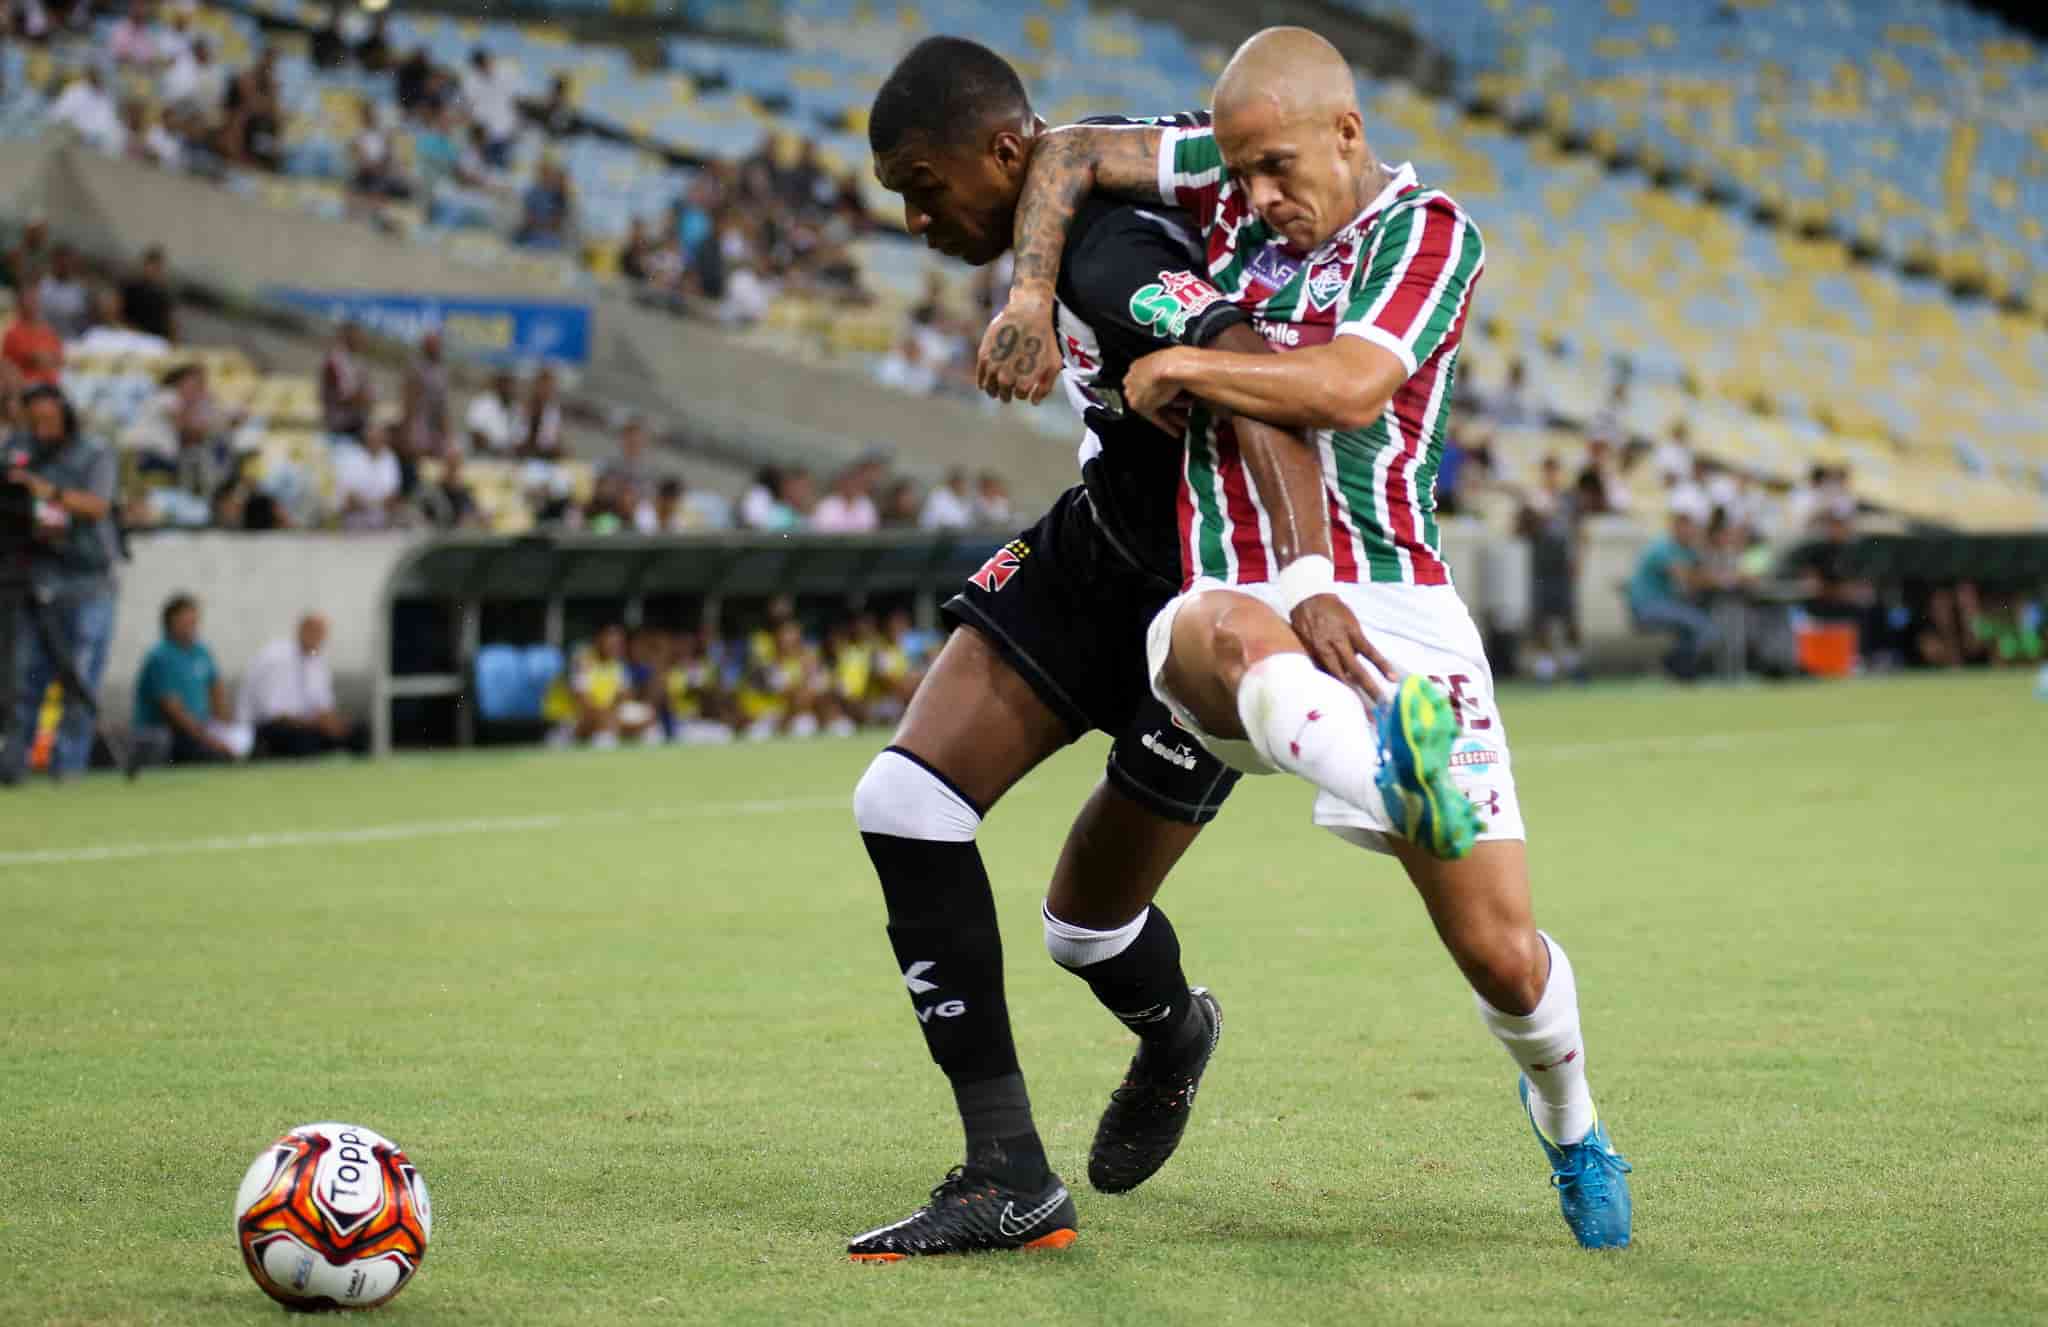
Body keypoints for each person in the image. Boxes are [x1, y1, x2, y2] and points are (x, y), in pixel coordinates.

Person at [975, 25, 1633, 1250]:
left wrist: (1179, 362)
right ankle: (1384, 773)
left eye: (1278, 167)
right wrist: (1026, 290)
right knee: (1198, 660)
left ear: (1346, 130)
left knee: (1501, 957)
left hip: (1391, 599)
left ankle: (1573, 1123)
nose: (1257, 198)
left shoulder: (1430, 233)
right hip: (1231, 589)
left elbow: (1341, 389)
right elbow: (1060, 152)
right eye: (1239, 172)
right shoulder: (1221, 172)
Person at [847, 36, 1356, 1260]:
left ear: (1000, 154)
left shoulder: (1108, 252)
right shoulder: (1060, 204)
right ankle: (1006, 1173)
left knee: (1083, 930)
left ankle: (1173, 1029)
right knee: (903, 802)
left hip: (1203, 602)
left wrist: (1299, 584)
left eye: (925, 185)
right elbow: (1070, 148)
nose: (918, 218)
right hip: (1096, 551)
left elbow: (1254, 379)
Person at [1, 385, 121, 783]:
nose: (41, 429)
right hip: (35, 576)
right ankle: (13, 765)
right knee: (24, 676)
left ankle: (68, 767)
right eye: (33, 421)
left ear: (66, 415)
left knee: (80, 678)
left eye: (48, 420)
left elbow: (97, 505)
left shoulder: (95, 452)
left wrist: (47, 492)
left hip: (88, 579)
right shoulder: (19, 450)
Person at [131, 593, 251, 765]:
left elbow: (216, 690)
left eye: (194, 622)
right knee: (212, 756)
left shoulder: (201, 651)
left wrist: (227, 729)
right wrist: (209, 740)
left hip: (202, 729)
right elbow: (174, 711)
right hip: (169, 733)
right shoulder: (161, 657)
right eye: (185, 622)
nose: (191, 627)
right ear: (170, 623)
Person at [238, 614, 369, 757]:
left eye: (321, 633)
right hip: (267, 728)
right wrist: (316, 724)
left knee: (359, 731)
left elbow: (323, 707)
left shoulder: (317, 661)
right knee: (301, 739)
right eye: (313, 631)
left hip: (307, 725)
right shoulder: (276, 658)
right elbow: (276, 716)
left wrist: (336, 725)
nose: (317, 638)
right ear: (301, 630)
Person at [1516, 456, 1583, 683]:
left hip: (1562, 564)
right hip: (1541, 565)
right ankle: (1545, 667)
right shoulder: (1534, 501)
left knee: (1569, 616)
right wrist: (1538, 516)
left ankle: (1573, 663)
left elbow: (1578, 530)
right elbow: (1520, 530)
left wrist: (1578, 558)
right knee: (1541, 618)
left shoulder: (1567, 500)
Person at [1628, 510, 1718, 680]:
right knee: (1704, 628)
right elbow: (1686, 578)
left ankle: (1678, 668)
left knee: (1693, 629)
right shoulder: (1662, 547)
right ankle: (1675, 665)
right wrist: (1719, 579)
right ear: (1676, 528)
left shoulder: (1687, 550)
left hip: (1667, 604)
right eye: (1688, 529)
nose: (1691, 533)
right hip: (1649, 606)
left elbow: (1701, 572)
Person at [333, 419, 404, 530]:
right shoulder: (351, 457)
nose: (376, 439)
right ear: (366, 436)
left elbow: (393, 494)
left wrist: (376, 505)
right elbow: (348, 499)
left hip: (382, 524)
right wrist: (372, 505)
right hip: (353, 524)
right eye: (373, 435)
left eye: (380, 436)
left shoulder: (389, 457)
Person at [49, 67, 124, 153]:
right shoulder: (77, 91)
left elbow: (110, 120)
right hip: (77, 132)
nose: (98, 79)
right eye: (95, 76)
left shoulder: (106, 95)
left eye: (100, 77)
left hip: (99, 136)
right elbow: (58, 112)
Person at [319, 321, 373, 441]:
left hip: (355, 423)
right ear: (349, 337)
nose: (363, 340)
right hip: (340, 427)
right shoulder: (334, 362)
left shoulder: (357, 361)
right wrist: (364, 398)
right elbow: (344, 396)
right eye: (359, 336)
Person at [3, 281, 63, 387]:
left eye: (34, 300)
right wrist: (45, 357)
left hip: (52, 384)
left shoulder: (48, 331)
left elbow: (59, 358)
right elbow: (33, 358)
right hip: (27, 386)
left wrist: (47, 358)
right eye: (28, 300)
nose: (33, 304)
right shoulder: (13, 333)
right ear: (20, 304)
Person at [399, 330, 449, 457]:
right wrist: (407, 430)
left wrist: (446, 432)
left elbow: (442, 405)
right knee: (417, 454)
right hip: (418, 421)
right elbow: (409, 400)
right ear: (425, 347)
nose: (436, 348)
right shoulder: (416, 367)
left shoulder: (441, 370)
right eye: (432, 345)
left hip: (435, 422)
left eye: (438, 344)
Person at [119, 248, 178, 345]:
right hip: (132, 336)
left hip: (156, 339)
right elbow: (120, 313)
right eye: (152, 267)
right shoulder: (131, 288)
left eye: (158, 268)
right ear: (145, 266)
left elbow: (170, 320)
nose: (154, 271)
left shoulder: (164, 293)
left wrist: (174, 340)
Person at [36, 245, 90, 341]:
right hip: (46, 338)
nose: (64, 266)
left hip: (73, 338)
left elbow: (82, 319)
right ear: (54, 263)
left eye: (68, 262)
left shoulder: (79, 289)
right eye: (61, 262)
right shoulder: (43, 286)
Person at [464, 368, 520, 455]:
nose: (507, 387)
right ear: (497, 383)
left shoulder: (516, 408)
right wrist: (495, 447)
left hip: (509, 458)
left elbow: (519, 438)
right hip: (483, 456)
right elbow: (475, 433)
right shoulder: (481, 403)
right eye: (504, 382)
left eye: (509, 383)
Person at [811, 462, 879, 533]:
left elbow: (871, 530)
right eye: (850, 481)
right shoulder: (827, 504)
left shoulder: (866, 503)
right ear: (843, 482)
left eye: (857, 482)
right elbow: (821, 532)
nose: (853, 486)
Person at [517, 365, 564, 459]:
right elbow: (519, 440)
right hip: (524, 456)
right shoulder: (525, 408)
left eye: (550, 387)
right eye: (543, 387)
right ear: (537, 387)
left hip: (546, 456)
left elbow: (553, 440)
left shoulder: (552, 411)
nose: (547, 391)